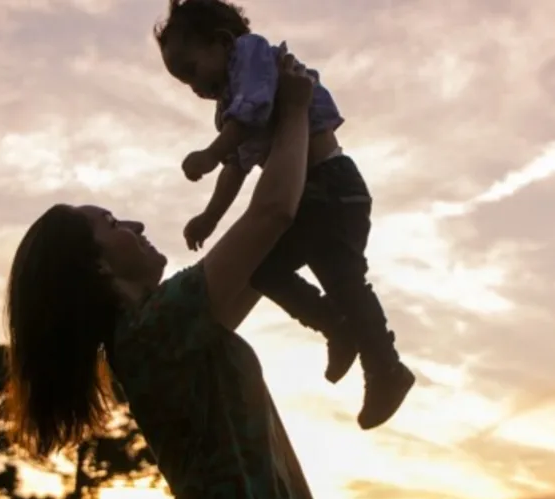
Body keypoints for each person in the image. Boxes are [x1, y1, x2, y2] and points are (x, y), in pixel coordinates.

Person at [5, 49, 316, 499]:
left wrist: (258, 140)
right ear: (95, 266)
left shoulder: (165, 329)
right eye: (113, 224)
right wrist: (295, 109)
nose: (137, 226)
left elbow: (272, 244)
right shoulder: (152, 333)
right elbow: (272, 214)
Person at [154, 0, 417, 430]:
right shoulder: (227, 107)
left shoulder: (252, 55)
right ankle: (335, 324)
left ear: (221, 43)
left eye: (190, 69)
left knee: (344, 279)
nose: (193, 86)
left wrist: (210, 151)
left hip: (332, 187)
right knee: (258, 268)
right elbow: (237, 165)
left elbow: (254, 110)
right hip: (306, 199)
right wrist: (210, 216)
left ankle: (385, 367)